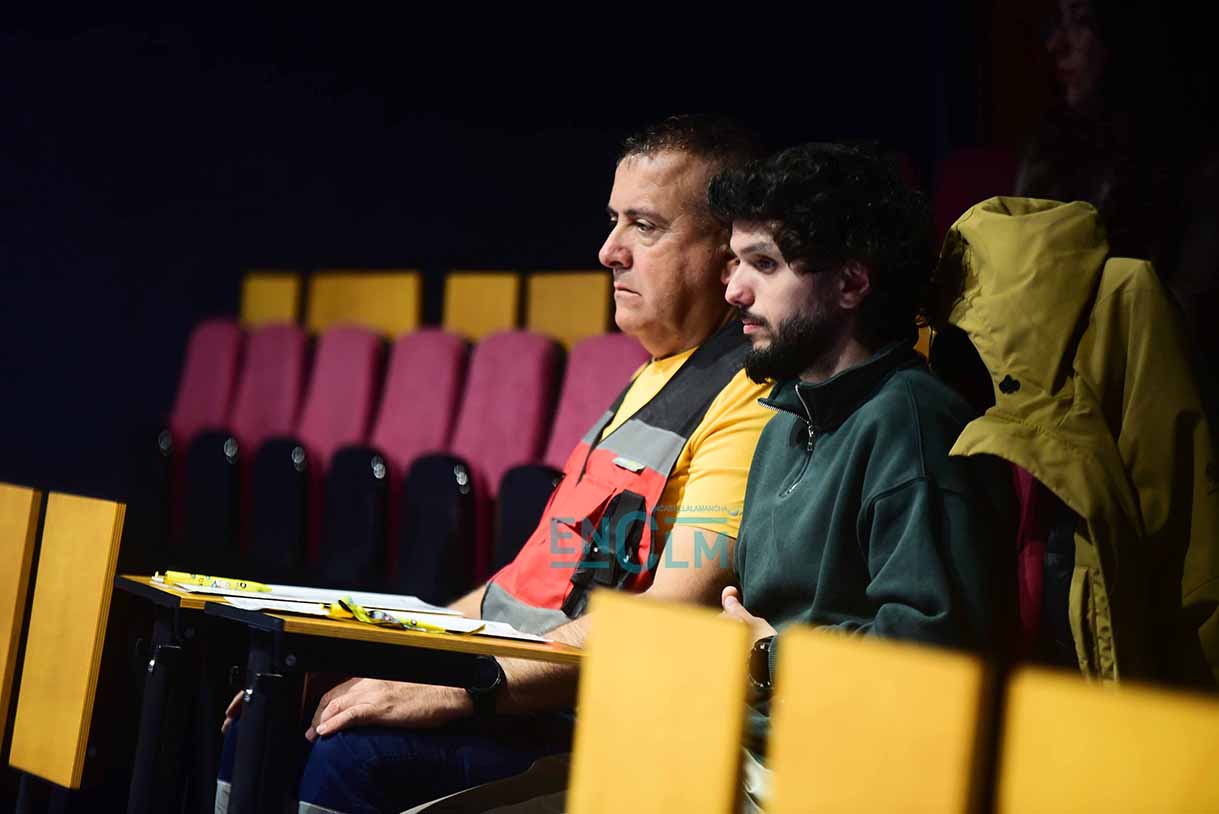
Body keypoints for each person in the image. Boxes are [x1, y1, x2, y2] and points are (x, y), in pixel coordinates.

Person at [409, 143, 1015, 814]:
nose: (734, 290)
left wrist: (768, 658)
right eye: (737, 262)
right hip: (720, 753)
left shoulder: (915, 426)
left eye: (764, 265)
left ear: (850, 283)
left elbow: (933, 665)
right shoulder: (785, 421)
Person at [216, 115, 774, 814]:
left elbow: (674, 612)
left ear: (727, 256)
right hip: (516, 686)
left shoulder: (747, 395)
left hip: (580, 715)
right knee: (271, 716)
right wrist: (383, 658)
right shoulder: (648, 376)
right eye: (613, 222)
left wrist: (464, 686)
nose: (608, 251)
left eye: (645, 226)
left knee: (354, 752)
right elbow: (518, 586)